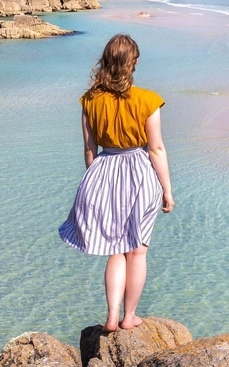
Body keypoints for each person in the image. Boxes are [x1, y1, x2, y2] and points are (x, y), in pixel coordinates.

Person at [59, 34, 174, 332]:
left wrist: (96, 180)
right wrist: (167, 190)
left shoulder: (89, 100)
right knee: (137, 249)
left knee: (115, 248)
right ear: (133, 63)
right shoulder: (148, 100)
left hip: (105, 171)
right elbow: (156, 149)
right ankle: (129, 316)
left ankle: (111, 316)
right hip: (139, 174)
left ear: (106, 61)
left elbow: (89, 149)